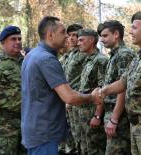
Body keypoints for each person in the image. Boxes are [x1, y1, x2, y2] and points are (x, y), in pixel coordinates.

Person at [93, 11, 141, 155]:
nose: (130, 31)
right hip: (135, 125)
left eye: (134, 28)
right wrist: (103, 91)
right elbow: (123, 82)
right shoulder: (138, 57)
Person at [21, 16, 99, 155]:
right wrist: (92, 97)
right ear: (51, 35)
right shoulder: (46, 58)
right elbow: (69, 97)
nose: (67, 37)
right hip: (45, 133)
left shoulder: (32, 55)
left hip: (35, 129)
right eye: (63, 32)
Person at [0, 25, 26, 155]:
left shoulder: (28, 61)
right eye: (13, 39)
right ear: (3, 42)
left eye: (19, 39)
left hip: (28, 119)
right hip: (5, 121)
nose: (18, 42)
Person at [97, 20, 135, 155]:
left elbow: (123, 88)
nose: (101, 40)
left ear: (116, 34)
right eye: (101, 36)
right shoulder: (115, 55)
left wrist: (114, 119)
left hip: (119, 116)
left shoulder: (124, 55)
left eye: (105, 36)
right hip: (111, 113)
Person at [77, 28, 108, 155]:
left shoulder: (101, 60)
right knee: (85, 148)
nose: (78, 43)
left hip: (92, 112)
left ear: (91, 40)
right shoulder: (88, 60)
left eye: (81, 40)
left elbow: (103, 90)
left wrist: (97, 115)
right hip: (83, 112)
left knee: (95, 149)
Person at [59, 23, 85, 154]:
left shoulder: (84, 55)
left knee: (80, 138)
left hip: (79, 103)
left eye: (76, 35)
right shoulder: (68, 56)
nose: (72, 38)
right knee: (71, 136)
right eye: (70, 35)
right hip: (67, 103)